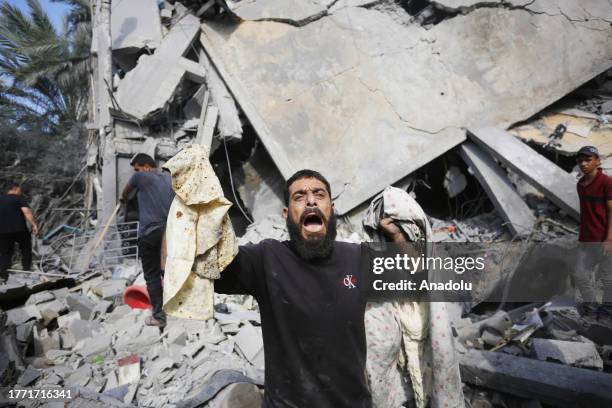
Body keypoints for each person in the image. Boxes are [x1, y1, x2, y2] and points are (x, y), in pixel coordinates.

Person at [215, 169, 404, 408]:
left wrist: (397, 236)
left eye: (319, 194)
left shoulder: (358, 258)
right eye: (299, 197)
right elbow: (210, 270)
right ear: (286, 214)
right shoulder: (266, 258)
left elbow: (414, 276)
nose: (311, 200)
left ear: (331, 209)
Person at [121, 153, 174, 326]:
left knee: (151, 275)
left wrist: (124, 199)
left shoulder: (140, 177)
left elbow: (125, 193)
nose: (135, 172)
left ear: (145, 167)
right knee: (170, 271)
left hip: (150, 232)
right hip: (171, 231)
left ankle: (159, 317)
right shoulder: (169, 178)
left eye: (136, 168)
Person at [574, 146, 612, 315]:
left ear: (598, 161)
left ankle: (607, 311)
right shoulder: (581, 185)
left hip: (604, 239)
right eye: (581, 160)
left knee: (608, 279)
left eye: (588, 160)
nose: (583, 163)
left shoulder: (607, 182)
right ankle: (593, 307)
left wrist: (609, 239)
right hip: (586, 240)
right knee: (580, 275)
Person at [0, 183, 38, 281]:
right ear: (15, 189)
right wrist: (34, 225)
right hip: (20, 229)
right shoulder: (19, 199)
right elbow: (27, 212)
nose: (21, 192)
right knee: (26, 248)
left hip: (3, 231)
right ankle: (26, 269)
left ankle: (4, 275)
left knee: (6, 253)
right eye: (20, 190)